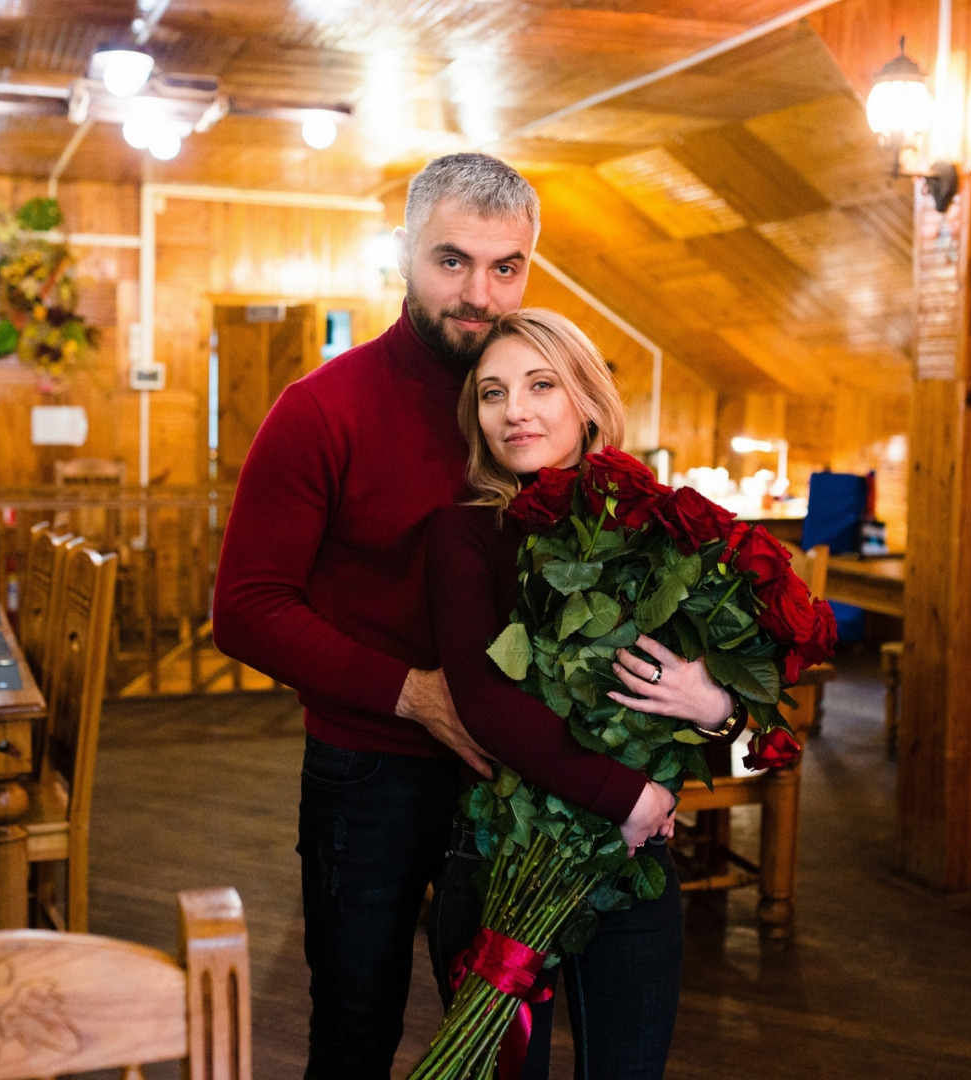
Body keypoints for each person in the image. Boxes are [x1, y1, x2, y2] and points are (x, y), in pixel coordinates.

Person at [212, 153, 541, 1079]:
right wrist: (417, 696)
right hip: (368, 770)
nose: (477, 293)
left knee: (499, 1036)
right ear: (401, 254)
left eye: (504, 267)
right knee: (355, 1027)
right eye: (450, 261)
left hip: (514, 774)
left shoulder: (539, 407)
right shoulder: (319, 408)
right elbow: (244, 609)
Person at [425, 308, 744, 1079]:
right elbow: (483, 702)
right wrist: (625, 797)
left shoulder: (658, 537)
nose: (515, 411)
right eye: (493, 393)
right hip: (499, 857)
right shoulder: (461, 535)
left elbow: (717, 723)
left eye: (540, 385)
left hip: (627, 868)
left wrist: (716, 711)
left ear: (588, 403)